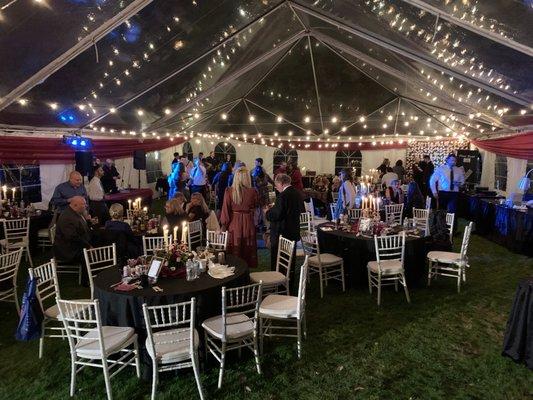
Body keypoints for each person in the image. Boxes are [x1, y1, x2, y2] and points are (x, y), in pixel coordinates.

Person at [221, 168, 260, 268]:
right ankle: (245, 271)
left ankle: (235, 271)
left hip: (234, 222)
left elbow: (225, 210)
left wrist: (224, 225)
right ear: (247, 178)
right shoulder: (253, 192)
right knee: (247, 248)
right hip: (248, 222)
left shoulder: (229, 191)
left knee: (235, 248)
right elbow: (256, 206)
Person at [265, 173, 304, 271]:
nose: (275, 187)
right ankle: (289, 282)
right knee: (290, 260)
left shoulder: (282, 196)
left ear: (281, 183)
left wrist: (267, 212)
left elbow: (277, 215)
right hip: (293, 231)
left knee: (279, 260)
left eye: (276, 184)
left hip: (282, 233)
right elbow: (301, 210)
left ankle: (278, 282)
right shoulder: (297, 193)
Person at [53, 196, 92, 283]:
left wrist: (88, 222)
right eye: (84, 204)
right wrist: (88, 246)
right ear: (75, 205)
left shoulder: (75, 213)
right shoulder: (67, 217)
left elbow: (81, 230)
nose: (86, 206)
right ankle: (86, 280)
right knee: (86, 253)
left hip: (74, 244)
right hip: (67, 250)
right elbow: (72, 237)